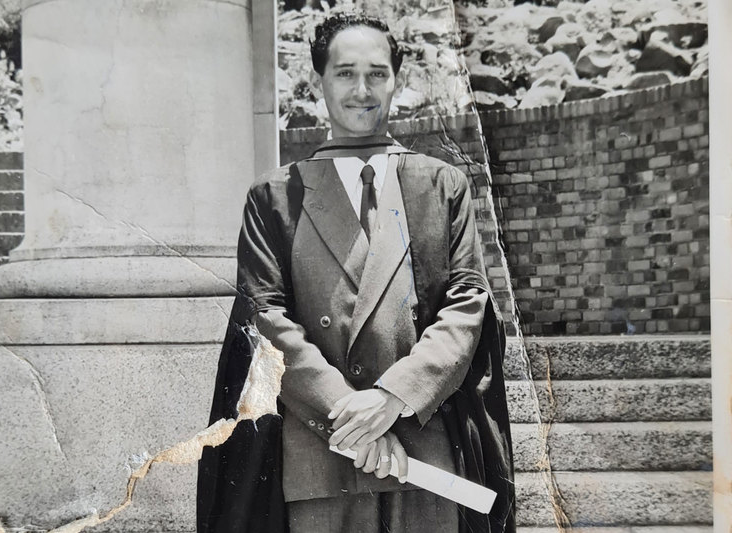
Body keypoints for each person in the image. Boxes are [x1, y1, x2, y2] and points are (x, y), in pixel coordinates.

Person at [197, 13, 514, 533]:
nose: (362, 90)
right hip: (318, 456)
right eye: (345, 73)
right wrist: (349, 414)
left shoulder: (442, 186)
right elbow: (265, 319)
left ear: (398, 79)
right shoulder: (276, 197)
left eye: (377, 73)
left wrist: (392, 399)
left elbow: (467, 305)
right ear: (319, 80)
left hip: (426, 452)